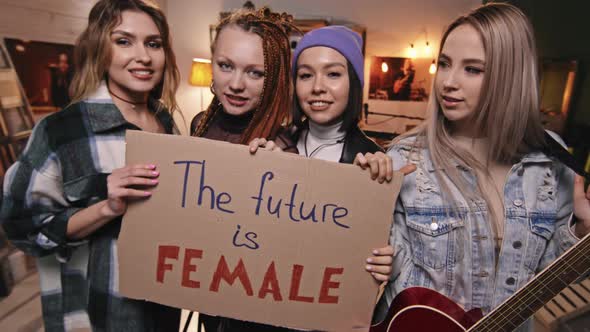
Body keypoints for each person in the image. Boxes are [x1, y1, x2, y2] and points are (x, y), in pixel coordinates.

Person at [378, 3, 590, 331]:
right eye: (445, 64)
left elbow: (550, 277)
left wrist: (581, 234)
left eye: (472, 69)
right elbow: (392, 284)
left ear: (510, 77)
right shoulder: (405, 159)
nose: (448, 82)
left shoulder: (552, 162)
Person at [0, 1, 182, 331]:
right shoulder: (61, 131)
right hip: (96, 315)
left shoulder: (167, 123)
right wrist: (105, 208)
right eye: (124, 41)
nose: (143, 56)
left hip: (161, 311)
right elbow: (21, 225)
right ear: (100, 47)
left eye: (153, 44)